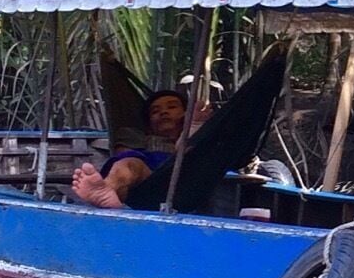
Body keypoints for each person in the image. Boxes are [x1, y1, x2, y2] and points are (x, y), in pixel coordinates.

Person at [71, 46, 289, 214]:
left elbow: (206, 155)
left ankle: (188, 136)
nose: (163, 112)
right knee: (128, 164)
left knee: (190, 151)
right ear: (148, 123)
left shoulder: (207, 137)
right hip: (150, 178)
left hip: (189, 171)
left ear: (185, 114)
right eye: (155, 111)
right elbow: (123, 153)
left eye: (172, 107)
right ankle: (105, 190)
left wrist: (195, 128)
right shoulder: (140, 139)